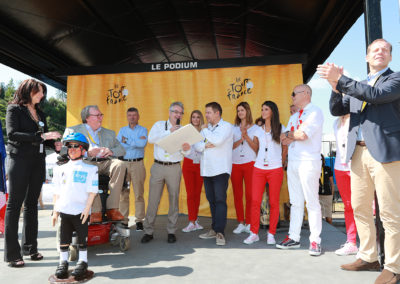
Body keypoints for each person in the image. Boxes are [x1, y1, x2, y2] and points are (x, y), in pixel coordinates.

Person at [317, 38, 400, 283]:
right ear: (366, 57)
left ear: (390, 58)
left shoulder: (394, 80)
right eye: (375, 49)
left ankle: (393, 267)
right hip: (358, 154)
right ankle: (369, 256)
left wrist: (342, 80)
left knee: (389, 213)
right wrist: (335, 87)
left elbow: (374, 95)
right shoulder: (359, 85)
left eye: (385, 49)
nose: (380, 52)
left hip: (385, 152)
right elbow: (337, 110)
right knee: (360, 208)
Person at [4, 79, 61, 267]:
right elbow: (12, 134)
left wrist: (54, 144)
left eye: (43, 92)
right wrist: (42, 136)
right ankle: (12, 254)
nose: (42, 95)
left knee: (31, 206)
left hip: (38, 161)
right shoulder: (14, 109)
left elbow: (42, 138)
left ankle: (30, 248)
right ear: (28, 91)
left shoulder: (41, 113)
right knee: (15, 205)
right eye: (39, 92)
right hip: (19, 161)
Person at [278, 84, 324, 256]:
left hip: (308, 161)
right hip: (294, 161)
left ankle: (315, 241)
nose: (292, 97)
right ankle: (294, 237)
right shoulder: (294, 116)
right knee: (295, 202)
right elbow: (283, 139)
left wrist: (291, 134)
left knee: (312, 202)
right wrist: (292, 134)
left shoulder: (315, 112)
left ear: (306, 94)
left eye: (293, 93)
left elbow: (302, 135)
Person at [63, 105, 126, 223]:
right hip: (87, 161)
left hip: (106, 162)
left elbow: (122, 149)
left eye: (101, 115)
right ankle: (96, 211)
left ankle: (112, 208)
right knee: (88, 168)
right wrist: (86, 153)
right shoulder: (73, 131)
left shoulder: (109, 133)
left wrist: (111, 151)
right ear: (87, 118)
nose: (101, 117)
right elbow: (63, 150)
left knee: (120, 164)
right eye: (97, 115)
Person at [141, 102, 191, 244]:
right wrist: (170, 132)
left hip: (174, 167)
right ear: (169, 112)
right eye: (176, 112)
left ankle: (171, 231)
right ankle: (148, 231)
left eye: (181, 113)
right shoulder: (159, 125)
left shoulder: (184, 130)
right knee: (153, 200)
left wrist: (187, 148)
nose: (178, 115)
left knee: (174, 199)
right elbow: (151, 139)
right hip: (158, 166)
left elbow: (186, 152)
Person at [52, 133, 97, 279]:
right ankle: (62, 262)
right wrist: (55, 211)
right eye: (69, 146)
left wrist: (87, 208)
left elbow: (92, 192)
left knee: (82, 238)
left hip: (80, 211)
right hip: (64, 210)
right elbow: (56, 191)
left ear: (83, 149)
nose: (71, 149)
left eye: (75, 146)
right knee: (64, 239)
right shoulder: (59, 169)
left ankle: (83, 261)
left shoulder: (91, 169)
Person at [244, 101, 286, 245]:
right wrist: (246, 136)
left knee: (274, 202)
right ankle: (254, 233)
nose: (263, 111)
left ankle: (271, 233)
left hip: (275, 169)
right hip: (259, 168)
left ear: (272, 111)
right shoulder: (257, 129)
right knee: (255, 201)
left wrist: (281, 162)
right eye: (262, 109)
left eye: (266, 109)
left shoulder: (281, 128)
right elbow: (256, 148)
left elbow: (285, 147)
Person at [195, 102, 233, 246]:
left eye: (209, 112)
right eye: (206, 112)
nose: (206, 115)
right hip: (207, 170)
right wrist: (205, 144)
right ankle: (214, 228)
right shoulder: (207, 129)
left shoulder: (226, 127)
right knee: (211, 201)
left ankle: (220, 232)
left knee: (220, 200)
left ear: (217, 113)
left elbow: (217, 141)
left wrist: (205, 132)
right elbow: (197, 146)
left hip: (220, 170)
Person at [117, 107, 148, 231]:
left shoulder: (143, 130)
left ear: (138, 116)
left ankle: (139, 220)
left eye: (134, 115)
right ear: (127, 116)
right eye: (129, 115)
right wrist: (134, 142)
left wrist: (127, 141)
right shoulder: (122, 130)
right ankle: (124, 220)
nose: (132, 117)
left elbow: (142, 144)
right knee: (123, 193)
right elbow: (119, 145)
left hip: (137, 164)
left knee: (139, 193)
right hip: (124, 164)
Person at [332, 114, 358, 256]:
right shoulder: (335, 122)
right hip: (339, 167)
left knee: (361, 205)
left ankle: (370, 245)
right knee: (348, 205)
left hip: (355, 166)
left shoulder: (357, 118)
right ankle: (351, 242)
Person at [231, 102, 258, 234]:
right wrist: (240, 140)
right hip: (235, 163)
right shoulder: (233, 128)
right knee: (237, 194)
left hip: (250, 163)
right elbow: (229, 147)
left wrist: (246, 137)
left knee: (250, 195)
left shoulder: (256, 128)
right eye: (238, 110)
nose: (240, 112)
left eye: (242, 110)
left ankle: (249, 222)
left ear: (247, 111)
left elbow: (256, 148)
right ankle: (240, 222)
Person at [181, 110, 205, 232]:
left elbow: (205, 149)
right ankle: (191, 221)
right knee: (190, 194)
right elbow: (184, 149)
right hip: (188, 164)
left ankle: (195, 220)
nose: (195, 119)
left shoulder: (205, 131)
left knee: (197, 193)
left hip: (201, 165)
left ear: (201, 119)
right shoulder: (186, 132)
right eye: (193, 117)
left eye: (198, 117)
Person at [318, 154, 334, 225]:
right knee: (318, 217)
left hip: (327, 194)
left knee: (328, 217)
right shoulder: (314, 169)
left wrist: (332, 194)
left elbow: (332, 183)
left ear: (323, 160)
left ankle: (331, 231)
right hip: (317, 195)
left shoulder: (327, 168)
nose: (320, 161)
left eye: (321, 159)